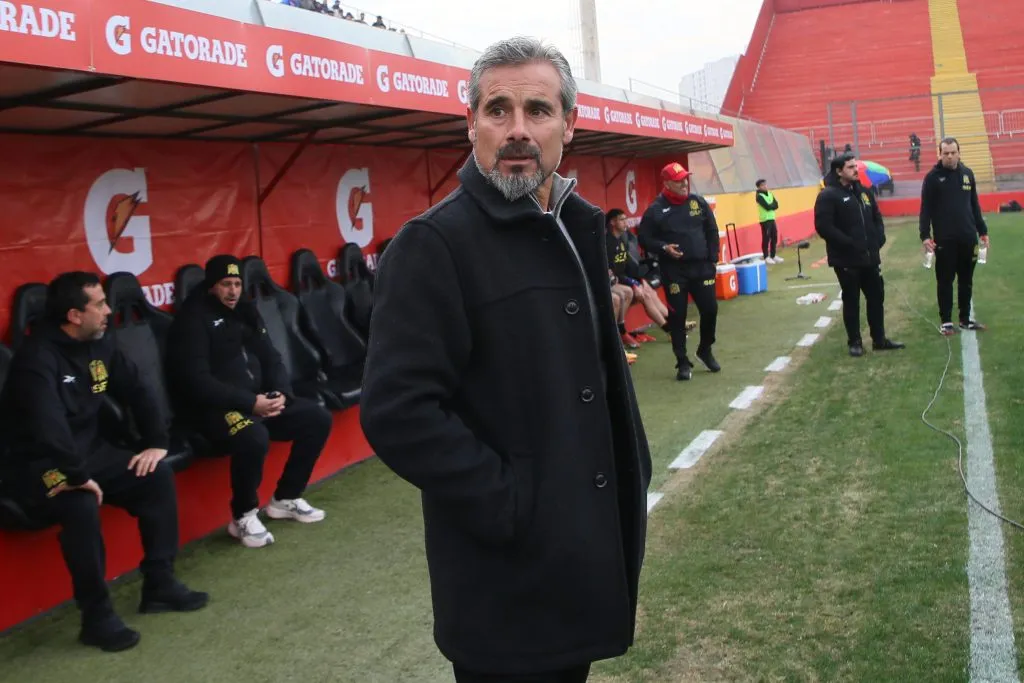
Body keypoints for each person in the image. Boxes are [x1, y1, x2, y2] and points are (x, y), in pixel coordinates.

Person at [359, 37, 652, 683]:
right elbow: (397, 411)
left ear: (569, 125)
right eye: (498, 110)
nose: (518, 130)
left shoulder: (576, 225)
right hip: (504, 580)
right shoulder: (433, 243)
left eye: (538, 110)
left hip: (577, 557)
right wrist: (514, 503)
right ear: (471, 123)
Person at [0, 272, 208, 652]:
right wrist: (78, 476)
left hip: (89, 452)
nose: (108, 310)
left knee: (155, 476)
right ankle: (96, 617)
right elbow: (48, 427)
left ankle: (159, 584)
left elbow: (139, 389)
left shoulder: (100, 344)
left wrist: (156, 442)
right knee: (79, 505)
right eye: (98, 304)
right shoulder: (37, 358)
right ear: (75, 315)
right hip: (38, 463)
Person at [166, 255, 333, 549]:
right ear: (211, 286)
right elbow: (196, 381)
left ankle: (286, 498)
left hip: (257, 399)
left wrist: (282, 392)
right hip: (216, 409)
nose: (232, 291)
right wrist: (248, 402)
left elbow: (270, 355)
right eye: (225, 284)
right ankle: (242, 516)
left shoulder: (245, 309)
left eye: (237, 284)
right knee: (253, 437)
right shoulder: (192, 319)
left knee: (317, 418)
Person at [814, 154, 905, 357]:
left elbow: (876, 218)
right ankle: (854, 342)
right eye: (850, 167)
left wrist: (878, 238)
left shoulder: (864, 192)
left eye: (855, 166)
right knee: (852, 300)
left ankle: (879, 340)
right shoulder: (828, 195)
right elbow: (824, 227)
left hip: (870, 257)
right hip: (846, 260)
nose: (856, 170)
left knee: (876, 298)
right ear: (839, 171)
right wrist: (849, 243)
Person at [637, 161, 721, 380]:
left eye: (685, 178)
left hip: (702, 268)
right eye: (678, 181)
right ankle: (682, 362)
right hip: (674, 271)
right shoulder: (656, 210)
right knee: (678, 317)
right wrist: (663, 248)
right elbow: (644, 238)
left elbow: (712, 230)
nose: (684, 183)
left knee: (710, 310)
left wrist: (713, 259)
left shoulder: (698, 202)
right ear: (667, 183)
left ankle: (705, 349)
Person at [919, 137, 989, 335]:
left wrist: (982, 231)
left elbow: (974, 205)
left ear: (959, 152)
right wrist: (925, 235)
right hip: (945, 240)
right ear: (939, 154)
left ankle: (965, 319)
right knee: (945, 280)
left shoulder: (967, 174)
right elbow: (926, 209)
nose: (949, 156)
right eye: (945, 153)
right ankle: (946, 321)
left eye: (953, 152)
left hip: (968, 238)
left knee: (966, 280)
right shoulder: (932, 178)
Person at [606, 208, 669, 342]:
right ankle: (670, 330)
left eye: (625, 219)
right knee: (641, 294)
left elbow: (627, 268)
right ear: (612, 222)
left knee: (649, 291)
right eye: (622, 220)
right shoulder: (607, 243)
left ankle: (673, 324)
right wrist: (634, 284)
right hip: (613, 282)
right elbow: (614, 273)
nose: (625, 223)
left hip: (623, 279)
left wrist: (639, 280)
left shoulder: (621, 240)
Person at [755, 179, 783, 264]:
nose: (765, 186)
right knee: (766, 238)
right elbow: (767, 207)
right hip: (765, 220)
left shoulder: (770, 194)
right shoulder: (759, 196)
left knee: (774, 236)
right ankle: (766, 256)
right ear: (759, 187)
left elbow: (776, 205)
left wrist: (771, 205)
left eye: (765, 184)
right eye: (762, 185)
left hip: (771, 218)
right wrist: (772, 205)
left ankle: (773, 255)